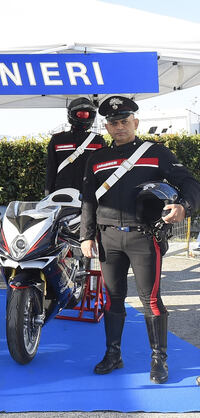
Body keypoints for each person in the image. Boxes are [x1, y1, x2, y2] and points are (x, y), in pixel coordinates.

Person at [80, 96, 200, 384]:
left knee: (151, 300)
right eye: (113, 123)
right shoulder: (96, 159)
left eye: (124, 121)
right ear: (106, 127)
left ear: (135, 122)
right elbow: (87, 201)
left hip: (144, 238)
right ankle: (113, 354)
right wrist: (86, 235)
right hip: (108, 239)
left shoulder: (157, 153)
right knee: (113, 299)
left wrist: (184, 206)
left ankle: (159, 359)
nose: (119, 127)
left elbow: (190, 183)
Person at [45, 97, 106, 195]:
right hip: (63, 193)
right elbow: (51, 170)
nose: (83, 116)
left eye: (86, 114)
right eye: (79, 114)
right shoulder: (57, 140)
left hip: (90, 193)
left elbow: (103, 170)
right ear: (71, 114)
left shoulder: (98, 140)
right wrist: (48, 195)